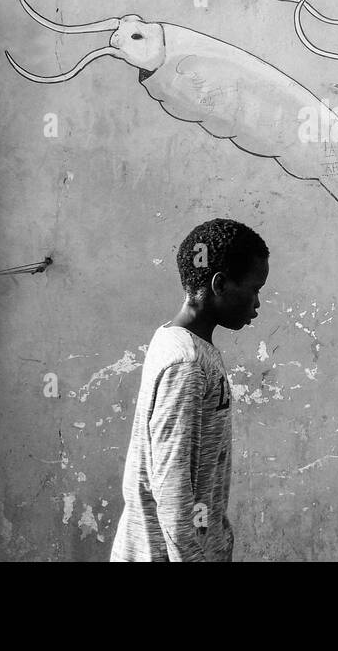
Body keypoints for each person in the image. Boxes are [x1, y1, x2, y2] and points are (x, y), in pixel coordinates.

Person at [110, 218, 269, 562]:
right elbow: (171, 486)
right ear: (220, 284)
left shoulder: (179, 343)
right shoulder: (187, 364)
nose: (258, 302)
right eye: (255, 289)